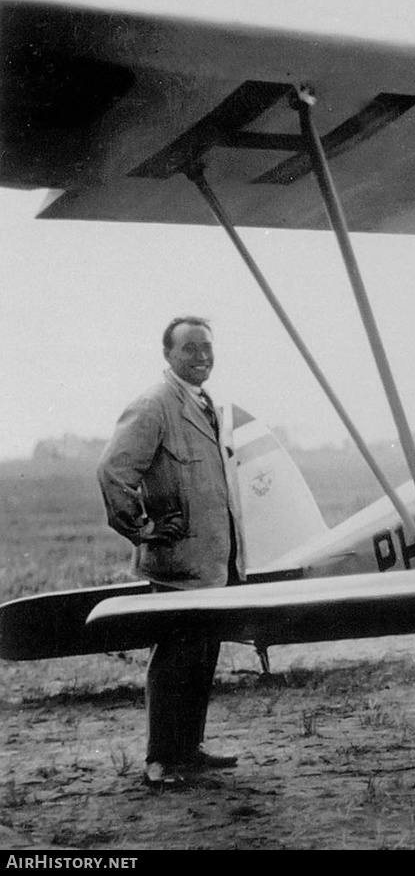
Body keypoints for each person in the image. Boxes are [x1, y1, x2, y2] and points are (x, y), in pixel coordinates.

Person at [98, 316, 245, 787]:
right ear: (168, 355)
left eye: (208, 348)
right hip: (179, 561)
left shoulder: (203, 404)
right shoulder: (155, 404)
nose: (202, 357)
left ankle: (189, 750)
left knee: (203, 652)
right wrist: (143, 528)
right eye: (190, 349)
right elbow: (114, 470)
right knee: (176, 653)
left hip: (213, 559)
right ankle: (160, 760)